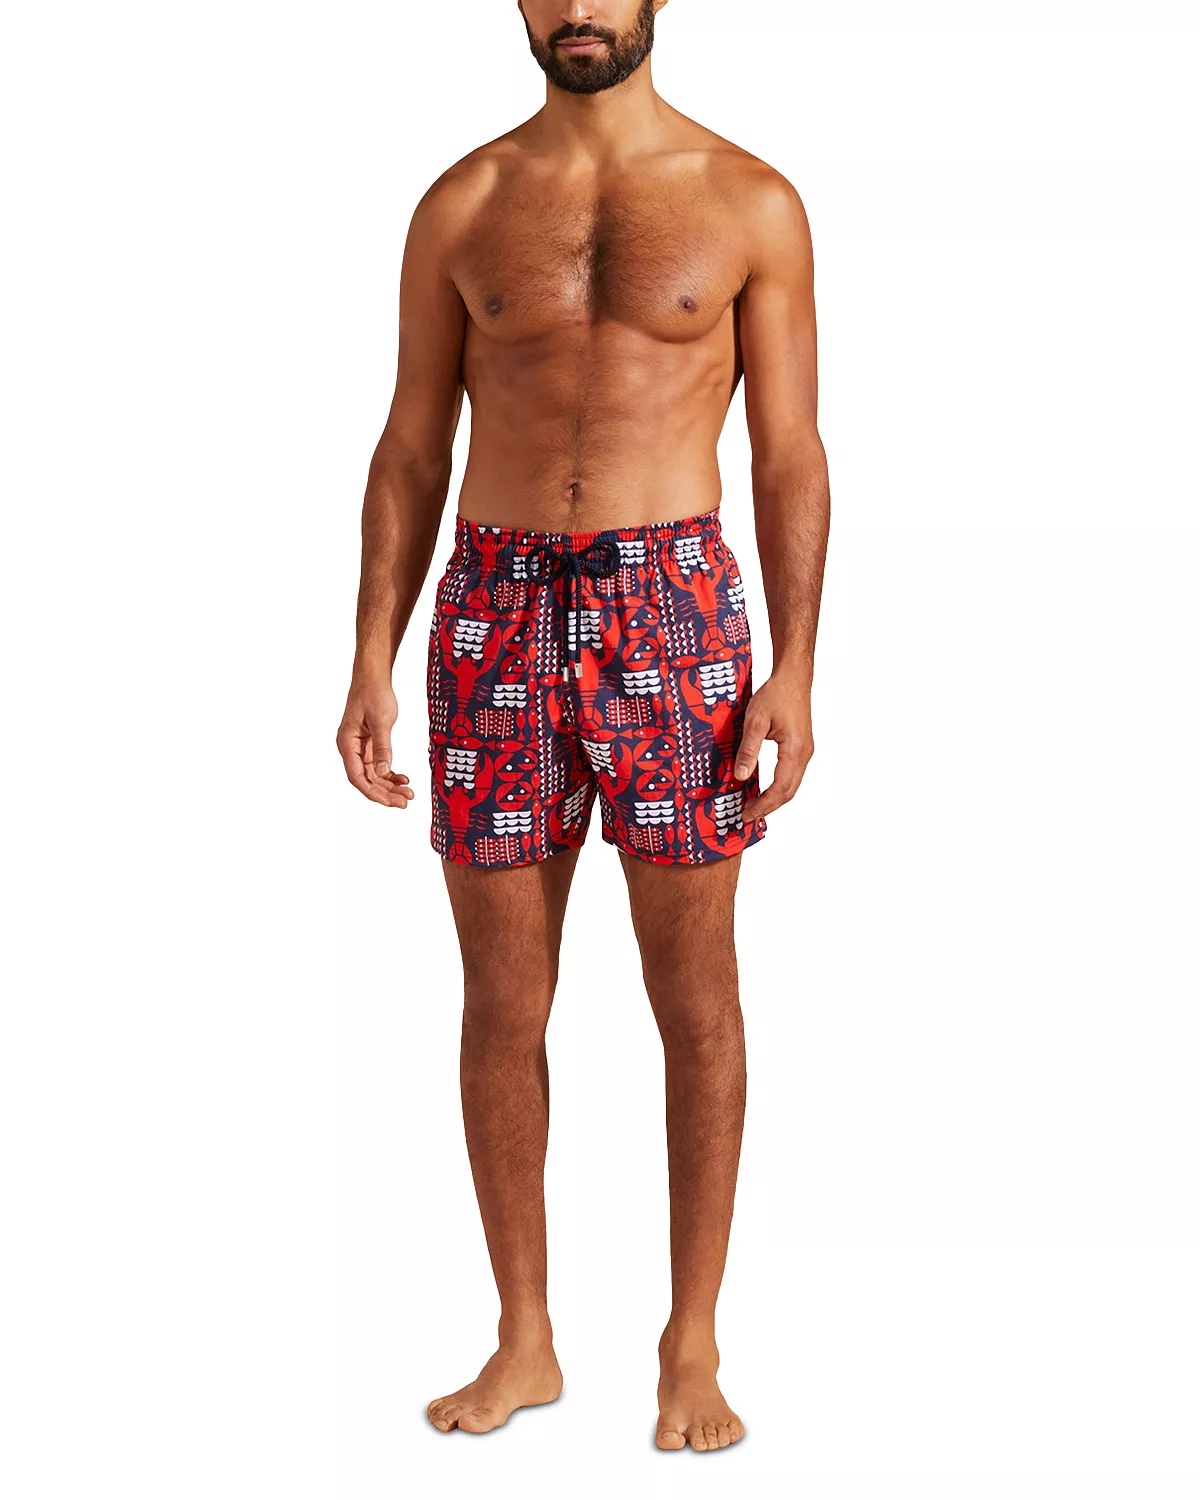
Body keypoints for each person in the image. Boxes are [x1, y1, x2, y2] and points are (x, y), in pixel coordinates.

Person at [336, 0, 829, 1454]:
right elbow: (411, 442)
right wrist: (370, 654)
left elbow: (790, 449)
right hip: (492, 606)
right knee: (502, 1001)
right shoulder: (464, 203)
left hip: (671, 608)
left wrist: (797, 665)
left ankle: (692, 1342)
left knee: (697, 1000)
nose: (578, 8)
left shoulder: (749, 200)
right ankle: (526, 1337)